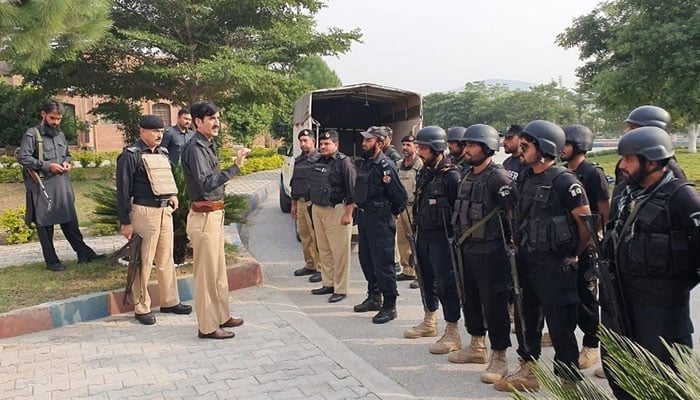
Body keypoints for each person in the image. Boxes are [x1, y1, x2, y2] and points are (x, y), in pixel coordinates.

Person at [601, 126, 699, 400]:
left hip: (663, 314)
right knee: (620, 377)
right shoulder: (624, 193)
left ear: (652, 161)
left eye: (629, 159)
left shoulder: (683, 198)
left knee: (665, 385)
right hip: (620, 306)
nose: (621, 165)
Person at [494, 120, 591, 393]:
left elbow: (586, 224)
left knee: (561, 327)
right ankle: (528, 371)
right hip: (526, 262)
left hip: (555, 266)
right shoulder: (526, 176)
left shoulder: (565, 181)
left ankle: (568, 382)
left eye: (525, 146)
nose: (520, 150)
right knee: (526, 320)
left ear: (544, 148)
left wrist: (574, 254)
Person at [449, 124, 515, 384]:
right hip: (468, 249)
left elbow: (512, 215)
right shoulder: (466, 174)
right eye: (466, 145)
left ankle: (500, 356)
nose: (467, 149)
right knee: (471, 299)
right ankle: (477, 345)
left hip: (492, 252)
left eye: (473, 145)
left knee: (494, 304)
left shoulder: (499, 177)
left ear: (488, 147)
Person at [181, 100, 249, 340]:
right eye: (211, 118)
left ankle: (222, 315)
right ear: (198, 122)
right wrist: (234, 168)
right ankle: (208, 326)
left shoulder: (208, 145)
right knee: (207, 274)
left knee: (218, 271)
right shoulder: (195, 148)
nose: (216, 122)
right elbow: (205, 183)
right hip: (203, 217)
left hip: (214, 215)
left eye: (217, 118)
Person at [116, 115, 192, 325]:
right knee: (143, 260)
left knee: (166, 258)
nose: (159, 135)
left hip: (164, 211)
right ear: (142, 131)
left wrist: (173, 195)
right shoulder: (130, 155)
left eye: (161, 131)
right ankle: (141, 307)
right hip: (143, 212)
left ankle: (170, 301)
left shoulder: (163, 153)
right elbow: (123, 191)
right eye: (154, 131)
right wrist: (125, 222)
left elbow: (167, 177)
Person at [18, 99, 102, 272]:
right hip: (42, 185)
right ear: (43, 114)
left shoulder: (60, 135)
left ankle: (84, 254)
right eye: (52, 118)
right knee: (45, 226)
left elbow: (68, 154)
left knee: (70, 221)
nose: (55, 122)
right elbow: (23, 157)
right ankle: (52, 261)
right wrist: (48, 166)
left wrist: (67, 163)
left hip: (62, 183)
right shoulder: (32, 134)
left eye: (58, 119)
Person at [404, 126, 463, 355]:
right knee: (425, 278)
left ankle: (452, 331)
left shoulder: (452, 176)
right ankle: (429, 320)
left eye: (424, 148)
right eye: (418, 147)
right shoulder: (425, 172)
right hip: (424, 234)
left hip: (443, 238)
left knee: (446, 284)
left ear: (437, 148)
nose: (419, 152)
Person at [561, 124, 610, 369]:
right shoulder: (562, 172)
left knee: (587, 297)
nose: (561, 148)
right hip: (567, 243)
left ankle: (591, 345)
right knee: (566, 294)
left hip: (587, 244)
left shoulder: (592, 173)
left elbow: (603, 210)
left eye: (566, 144)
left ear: (579, 146)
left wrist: (592, 240)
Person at [353, 126, 408, 323]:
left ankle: (390, 305)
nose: (364, 143)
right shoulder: (366, 164)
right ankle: (374, 297)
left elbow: (400, 197)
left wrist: (387, 214)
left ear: (380, 142)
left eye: (369, 140)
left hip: (380, 219)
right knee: (366, 260)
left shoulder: (386, 165)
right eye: (364, 140)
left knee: (383, 263)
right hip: (365, 218)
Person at [309, 130, 356, 303]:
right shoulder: (318, 160)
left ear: (336, 145)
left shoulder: (345, 163)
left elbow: (352, 190)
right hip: (318, 209)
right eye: (321, 144)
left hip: (337, 209)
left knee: (340, 252)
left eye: (327, 144)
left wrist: (348, 213)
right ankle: (328, 283)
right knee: (324, 249)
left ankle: (341, 288)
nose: (323, 146)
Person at [290, 129, 322, 283]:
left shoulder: (320, 159)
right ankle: (310, 264)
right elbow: (295, 182)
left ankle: (321, 268)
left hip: (313, 203)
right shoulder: (299, 160)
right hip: (301, 202)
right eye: (301, 141)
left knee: (317, 236)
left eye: (306, 140)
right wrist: (294, 204)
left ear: (313, 141)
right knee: (305, 235)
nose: (303, 144)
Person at [395, 135, 423, 286]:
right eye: (404, 144)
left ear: (415, 147)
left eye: (408, 145)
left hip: (414, 207)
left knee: (416, 241)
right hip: (401, 208)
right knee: (402, 240)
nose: (405, 148)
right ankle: (407, 270)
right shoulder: (399, 164)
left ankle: (420, 274)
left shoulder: (420, 165)